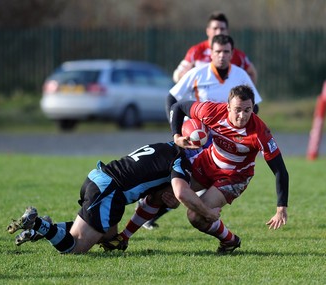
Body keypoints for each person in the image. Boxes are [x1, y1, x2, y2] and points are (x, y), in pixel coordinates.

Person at [106, 85, 288, 254]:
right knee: (161, 194)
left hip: (234, 177)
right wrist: (176, 135)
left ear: (253, 108)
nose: (242, 116)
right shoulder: (212, 111)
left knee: (196, 215)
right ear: (228, 107)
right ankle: (123, 237)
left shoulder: (260, 133)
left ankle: (230, 241)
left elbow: (280, 169)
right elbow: (178, 107)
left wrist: (281, 208)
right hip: (207, 162)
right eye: (237, 110)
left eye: (247, 110)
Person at [6, 142, 220, 254]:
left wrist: (166, 198)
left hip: (101, 180)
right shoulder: (180, 161)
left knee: (107, 236)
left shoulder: (165, 147)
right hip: (109, 190)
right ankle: (42, 225)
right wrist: (207, 212)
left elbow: (155, 190)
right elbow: (182, 192)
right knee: (76, 248)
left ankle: (37, 230)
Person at [141, 34, 262, 230]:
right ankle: (151, 207)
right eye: (218, 51)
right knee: (181, 182)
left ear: (233, 53)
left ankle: (159, 211)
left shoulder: (240, 75)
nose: (222, 55)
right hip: (195, 139)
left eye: (226, 52)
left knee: (203, 191)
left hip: (224, 142)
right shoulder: (198, 73)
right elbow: (172, 99)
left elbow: (254, 107)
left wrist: (240, 129)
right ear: (210, 53)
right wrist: (177, 131)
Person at [173, 12, 258, 84]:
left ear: (227, 31)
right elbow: (177, 75)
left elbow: (252, 74)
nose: (219, 32)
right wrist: (187, 76)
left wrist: (244, 91)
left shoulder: (237, 55)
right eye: (215, 28)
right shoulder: (196, 51)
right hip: (202, 101)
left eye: (222, 29)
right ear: (208, 31)